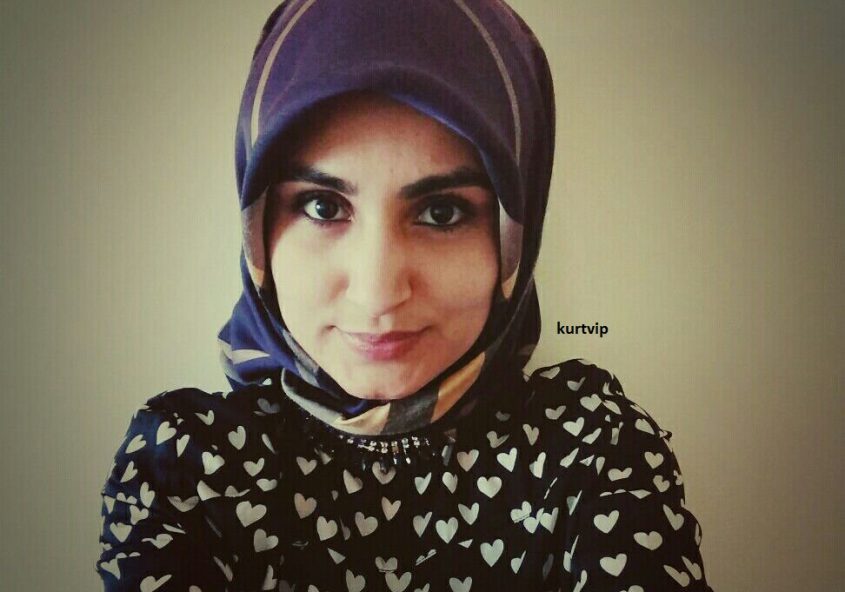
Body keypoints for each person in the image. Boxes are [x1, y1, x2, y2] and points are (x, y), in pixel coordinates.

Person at [95, 1, 713, 590]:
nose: (378, 294)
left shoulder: (591, 452)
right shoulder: (186, 470)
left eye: (442, 212)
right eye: (322, 206)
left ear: (513, 239)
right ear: (258, 229)